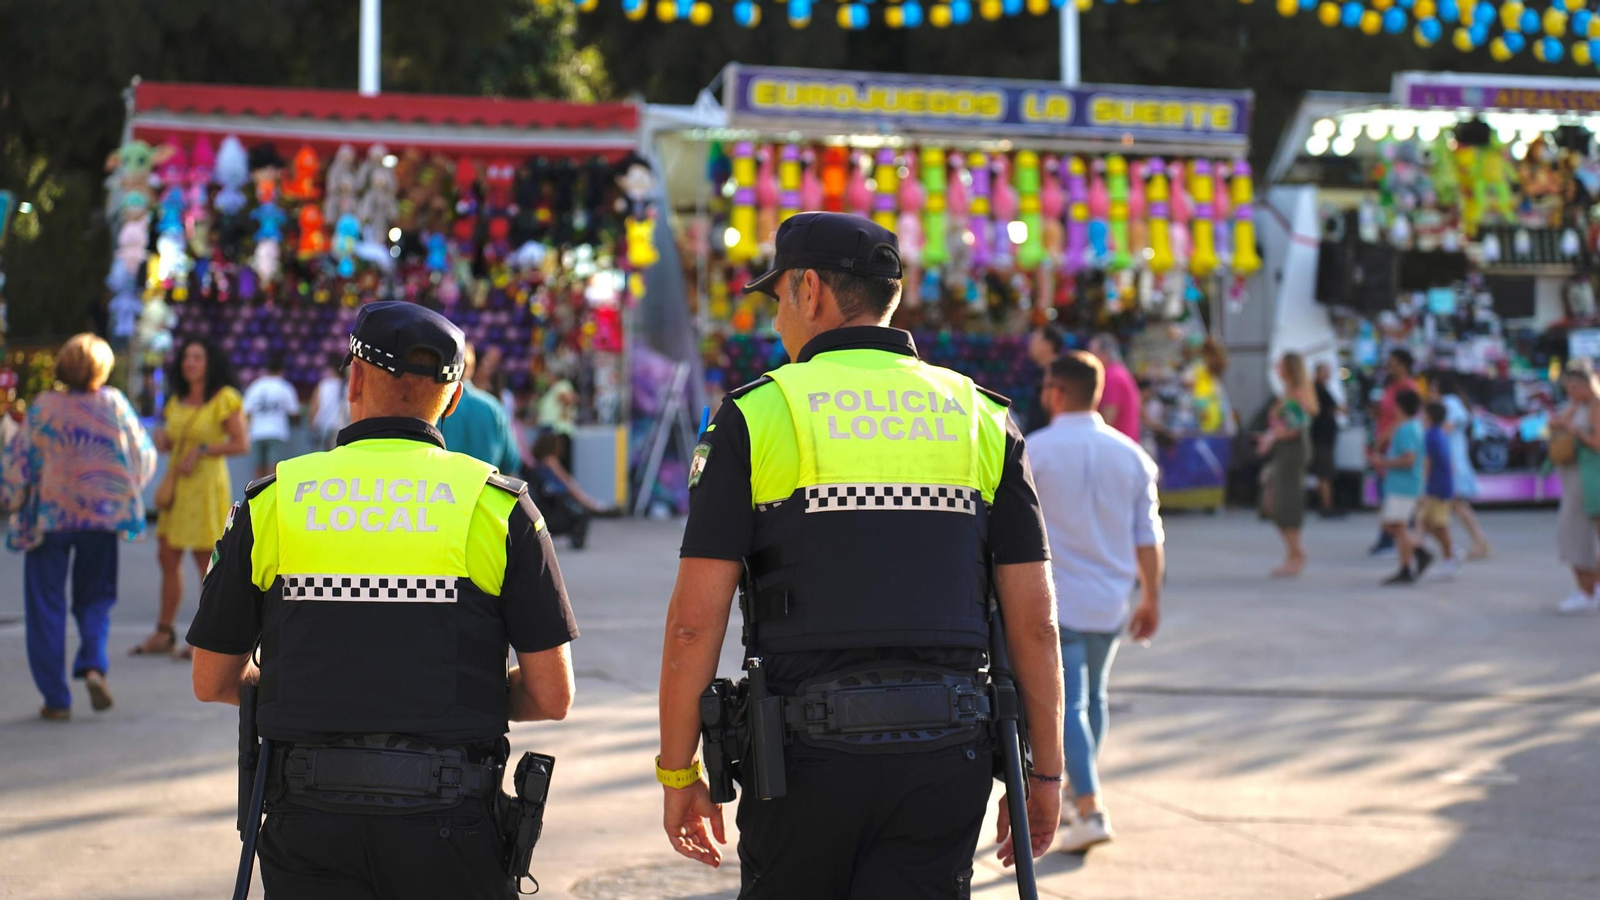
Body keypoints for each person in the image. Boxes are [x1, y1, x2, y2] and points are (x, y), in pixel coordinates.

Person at [658, 213, 1065, 897]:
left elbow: (695, 623)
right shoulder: (981, 414)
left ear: (809, 289)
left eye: (778, 296)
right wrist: (1046, 772)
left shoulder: (757, 413)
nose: (778, 321)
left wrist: (678, 773)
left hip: (802, 761)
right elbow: (1036, 623)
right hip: (946, 752)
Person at [186, 301, 579, 899]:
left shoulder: (275, 499)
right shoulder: (497, 506)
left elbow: (213, 679)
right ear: (452, 398)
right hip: (449, 824)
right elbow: (552, 694)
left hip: (310, 822)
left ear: (353, 379)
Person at [1026, 351, 1163, 853]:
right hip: (1111, 600)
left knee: (1069, 704)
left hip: (1055, 601)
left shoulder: (1032, 451)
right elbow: (1148, 537)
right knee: (1093, 699)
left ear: (1057, 392)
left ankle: (1088, 806)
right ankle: (1079, 791)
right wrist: (1151, 595)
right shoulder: (1131, 455)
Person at [1, 334, 156, 720]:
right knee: (96, 599)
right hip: (101, 519)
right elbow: (142, 457)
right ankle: (92, 665)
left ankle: (56, 699)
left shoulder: (44, 408)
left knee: (45, 605)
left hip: (49, 521)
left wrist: (11, 498)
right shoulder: (114, 403)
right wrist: (125, 491)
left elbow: (18, 463)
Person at [131, 339, 248, 660]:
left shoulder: (225, 399)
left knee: (204, 562)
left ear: (210, 362)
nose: (190, 363)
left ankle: (203, 638)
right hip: (178, 486)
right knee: (167, 556)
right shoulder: (176, 401)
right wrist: (163, 438)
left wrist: (204, 450)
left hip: (206, 487)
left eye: (198, 357)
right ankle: (164, 631)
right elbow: (170, 441)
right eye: (186, 357)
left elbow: (241, 444)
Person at [1258, 353, 1317, 578]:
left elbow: (1293, 428)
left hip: (1292, 451)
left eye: (1281, 365)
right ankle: (1294, 552)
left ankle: (1296, 553)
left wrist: (1272, 438)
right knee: (1275, 500)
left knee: (1286, 501)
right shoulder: (1289, 393)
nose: (1277, 368)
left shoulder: (1296, 394)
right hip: (1286, 450)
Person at [1369, 389, 1433, 585]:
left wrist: (1384, 463)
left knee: (1396, 525)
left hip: (1402, 485)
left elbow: (1409, 459)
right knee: (1397, 525)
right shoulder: (1413, 427)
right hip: (1406, 484)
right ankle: (1409, 562)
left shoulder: (1406, 429)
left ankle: (1417, 555)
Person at [1551, 363, 1600, 613]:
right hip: (1574, 480)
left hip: (1589, 481)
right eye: (1567, 387)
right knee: (1575, 534)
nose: (1569, 391)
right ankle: (1589, 588)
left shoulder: (1595, 407)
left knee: (1577, 534)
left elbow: (1597, 443)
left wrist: (1575, 432)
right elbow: (1560, 425)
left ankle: (1587, 590)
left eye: (1574, 386)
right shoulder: (1577, 406)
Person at [439, 343, 523, 473]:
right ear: (472, 368)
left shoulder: (435, 406)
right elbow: (511, 462)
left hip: (440, 489)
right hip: (484, 489)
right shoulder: (493, 407)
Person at [1437, 373, 1491, 559]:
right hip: (1453, 461)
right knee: (1456, 505)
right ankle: (1477, 541)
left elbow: (1447, 427)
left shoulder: (1449, 402)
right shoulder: (1454, 402)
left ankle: (1478, 541)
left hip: (1452, 462)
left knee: (1457, 505)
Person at [1369, 349, 1418, 556]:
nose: (1390, 366)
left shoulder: (1408, 388)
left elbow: (1402, 419)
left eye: (1394, 362)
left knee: (1394, 498)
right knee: (1388, 496)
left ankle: (1399, 539)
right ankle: (1401, 539)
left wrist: (1382, 439)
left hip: (1394, 445)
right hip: (1385, 444)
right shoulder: (1389, 386)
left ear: (1404, 364)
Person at [241, 353, 301, 480]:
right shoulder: (285, 387)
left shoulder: (255, 386)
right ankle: (272, 499)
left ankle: (255, 498)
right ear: (282, 369)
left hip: (257, 433)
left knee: (258, 470)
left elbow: (246, 413)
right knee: (273, 472)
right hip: (277, 432)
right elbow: (295, 413)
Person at [1418, 401, 1458, 578]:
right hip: (1442, 485)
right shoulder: (1440, 434)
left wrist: (1423, 487)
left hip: (1436, 487)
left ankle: (1449, 558)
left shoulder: (1430, 436)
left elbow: (1428, 462)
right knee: (1427, 523)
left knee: (1440, 526)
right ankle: (1448, 551)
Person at [1088, 333, 1141, 442]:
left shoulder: (1112, 376)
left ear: (1104, 353)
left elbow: (1107, 420)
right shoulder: (1119, 372)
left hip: (1117, 446)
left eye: (1092, 353)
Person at [1311, 361, 1344, 517]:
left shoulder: (1320, 389)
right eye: (1325, 373)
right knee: (1325, 474)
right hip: (1322, 440)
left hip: (1323, 439)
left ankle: (1325, 504)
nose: (1328, 376)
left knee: (1322, 474)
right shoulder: (1319, 390)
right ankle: (1326, 506)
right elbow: (1333, 409)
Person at [1026, 323, 1067, 433]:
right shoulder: (1037, 373)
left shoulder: (1061, 377)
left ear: (1049, 344)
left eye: (1035, 340)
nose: (1031, 344)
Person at [308, 352, 349, 451]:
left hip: (323, 427)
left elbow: (314, 408)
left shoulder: (323, 385)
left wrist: (311, 426)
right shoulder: (348, 386)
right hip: (341, 428)